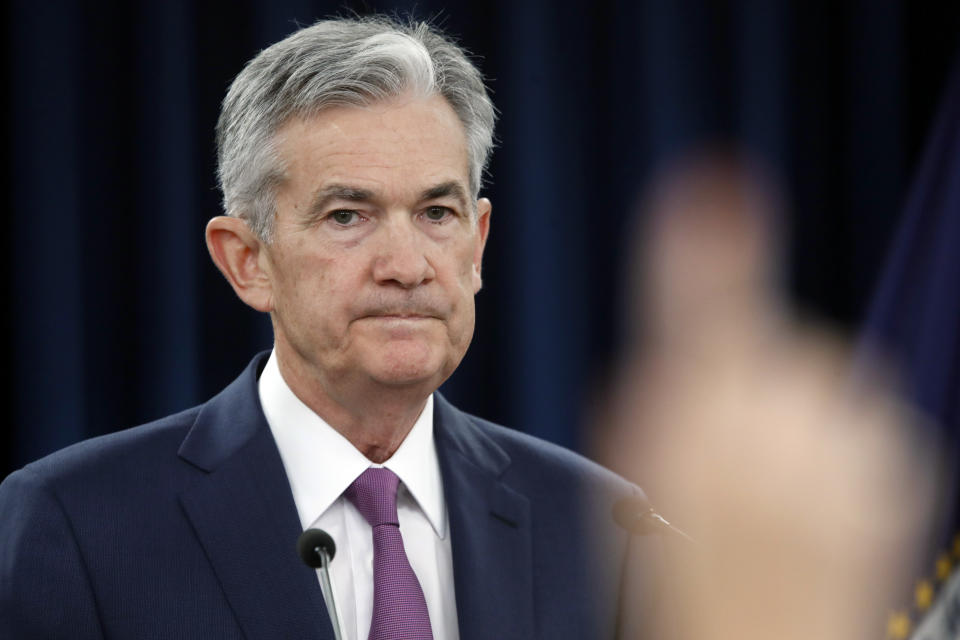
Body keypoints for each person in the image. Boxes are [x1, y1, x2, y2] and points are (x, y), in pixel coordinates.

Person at [0, 16, 649, 639]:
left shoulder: (603, 528)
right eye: (347, 216)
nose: (406, 266)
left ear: (476, 246)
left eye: (436, 212)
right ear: (247, 261)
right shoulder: (79, 524)